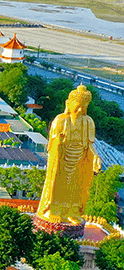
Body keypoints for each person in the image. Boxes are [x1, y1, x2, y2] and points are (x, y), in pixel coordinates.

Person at [36, 85, 102, 226]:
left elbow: (90, 145)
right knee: (57, 186)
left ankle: (72, 212)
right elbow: (52, 145)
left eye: (83, 107)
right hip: (61, 161)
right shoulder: (61, 120)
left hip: (79, 160)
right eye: (77, 106)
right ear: (68, 104)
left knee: (76, 188)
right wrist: (58, 143)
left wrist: (96, 156)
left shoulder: (88, 122)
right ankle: (54, 210)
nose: (80, 110)